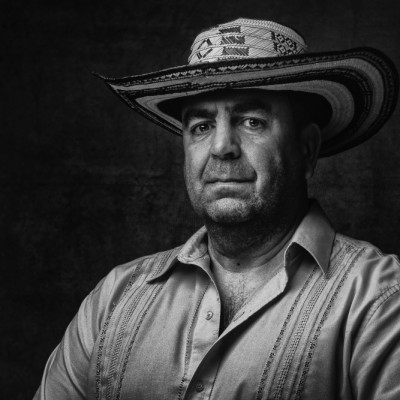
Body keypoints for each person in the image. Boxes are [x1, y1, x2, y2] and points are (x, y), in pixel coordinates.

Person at [35, 18, 400, 400]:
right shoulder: (114, 298)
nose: (222, 146)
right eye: (201, 126)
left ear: (306, 150)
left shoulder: (378, 301)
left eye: (252, 122)